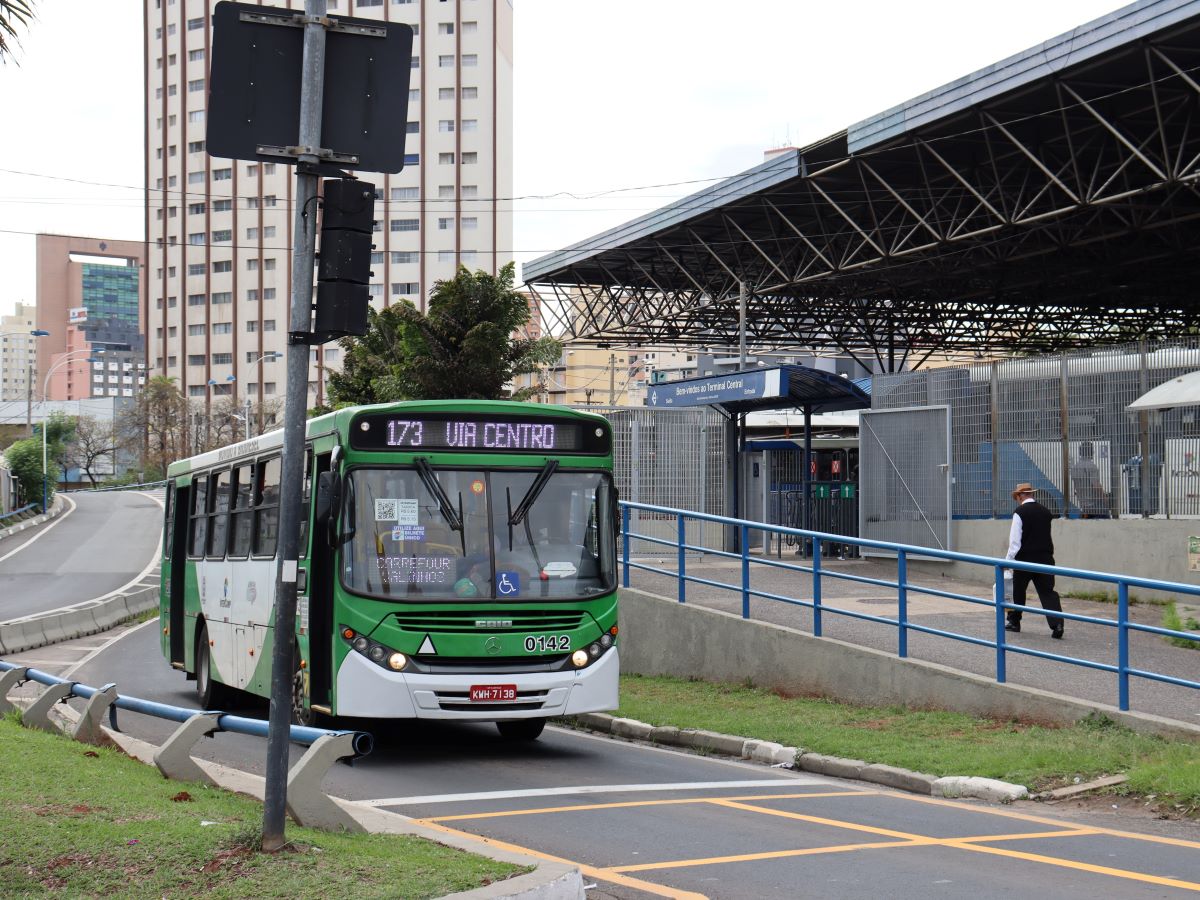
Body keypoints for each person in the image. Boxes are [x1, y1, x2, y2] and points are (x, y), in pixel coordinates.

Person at [1004, 482, 1065, 639]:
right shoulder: (1045, 512)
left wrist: (1008, 561)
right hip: (1045, 558)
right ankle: (1057, 624)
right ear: (1032, 494)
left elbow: (1015, 542)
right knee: (1047, 592)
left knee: (1018, 590)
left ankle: (1014, 622)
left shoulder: (1019, 512)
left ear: (1019, 496)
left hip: (1024, 559)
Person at [1069, 441, 1109, 518]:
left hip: (1084, 506)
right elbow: (1096, 486)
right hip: (1096, 507)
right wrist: (1105, 499)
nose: (1093, 453)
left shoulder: (1075, 468)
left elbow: (1077, 488)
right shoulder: (1091, 466)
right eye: (1092, 451)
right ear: (1091, 452)